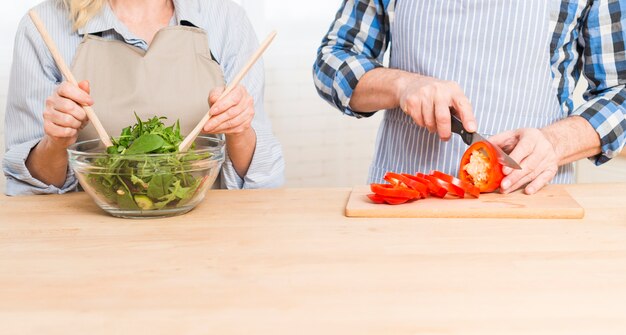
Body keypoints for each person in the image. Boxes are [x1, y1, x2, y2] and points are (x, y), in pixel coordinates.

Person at [313, 0, 625, 194]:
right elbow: (332, 61)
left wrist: (555, 143)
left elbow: (619, 93)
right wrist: (401, 84)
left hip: (529, 206)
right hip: (405, 201)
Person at [3, 0, 284, 195]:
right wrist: (56, 142)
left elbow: (262, 180)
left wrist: (239, 130)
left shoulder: (227, 21)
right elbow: (30, 189)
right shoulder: (43, 26)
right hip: (87, 238)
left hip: (205, 236)